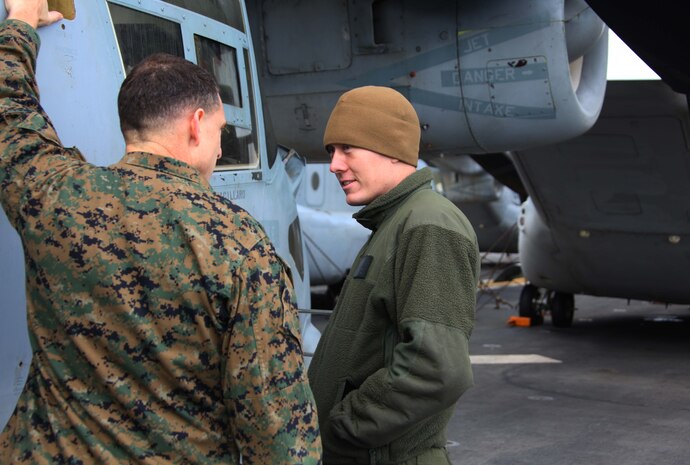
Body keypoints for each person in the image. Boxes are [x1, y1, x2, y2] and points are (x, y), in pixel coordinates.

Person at [0, 1, 320, 463]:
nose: (218, 147)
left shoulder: (55, 196)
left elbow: (9, 110)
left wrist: (21, 24)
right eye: (219, 131)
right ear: (196, 123)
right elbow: (279, 434)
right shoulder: (239, 245)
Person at [307, 86, 480, 465]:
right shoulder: (396, 223)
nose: (334, 165)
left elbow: (437, 369)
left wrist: (345, 426)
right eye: (331, 152)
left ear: (391, 147)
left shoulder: (428, 225)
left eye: (347, 148)